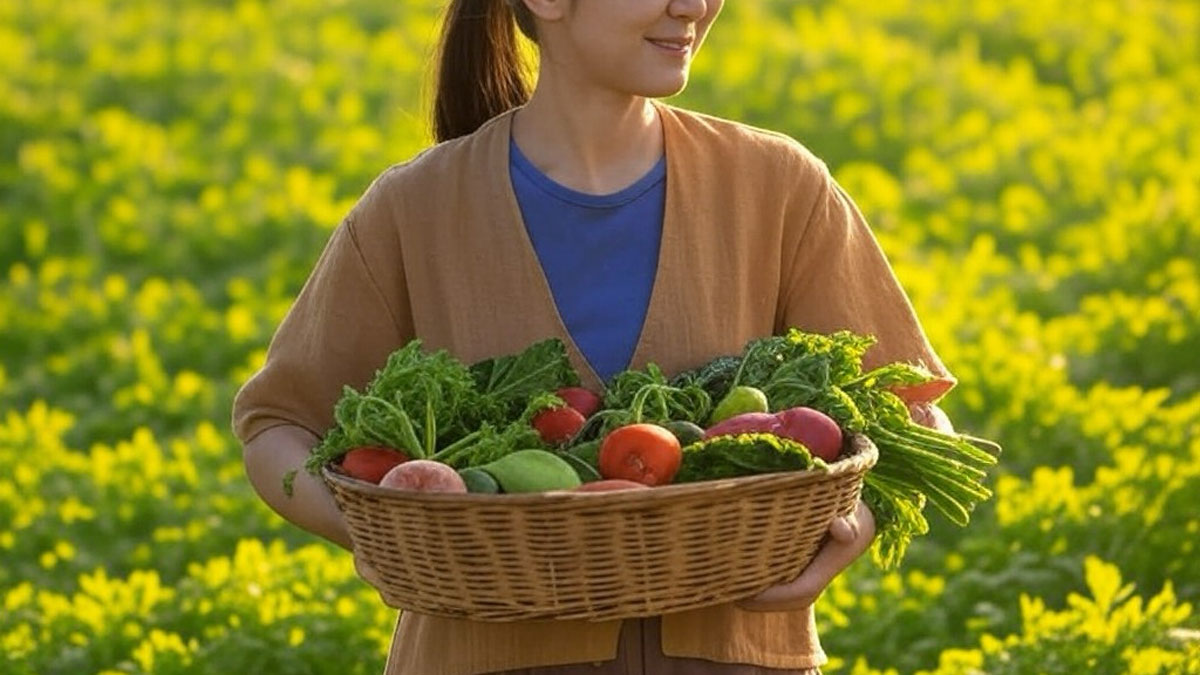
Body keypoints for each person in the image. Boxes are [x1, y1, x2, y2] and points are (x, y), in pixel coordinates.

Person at [231, 0, 958, 673]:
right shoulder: (412, 209)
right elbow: (278, 424)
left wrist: (858, 518)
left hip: (735, 657)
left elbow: (916, 409)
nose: (695, 4)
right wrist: (383, 536)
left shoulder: (778, 187)